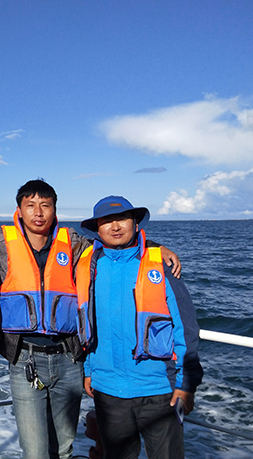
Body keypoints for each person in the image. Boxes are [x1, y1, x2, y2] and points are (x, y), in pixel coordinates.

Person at [0, 180, 182, 459]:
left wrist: (155, 247)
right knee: (34, 452)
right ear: (19, 210)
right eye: (30, 205)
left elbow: (116, 245)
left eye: (45, 205)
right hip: (24, 360)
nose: (38, 212)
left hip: (68, 360)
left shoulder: (75, 244)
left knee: (64, 447)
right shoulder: (0, 245)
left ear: (55, 210)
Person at [77, 196, 202, 459]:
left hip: (160, 390)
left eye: (122, 218)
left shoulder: (161, 264)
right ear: (97, 228)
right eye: (106, 221)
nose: (115, 226)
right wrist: (89, 370)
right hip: (107, 390)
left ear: (135, 223)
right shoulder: (87, 265)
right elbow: (87, 323)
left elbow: (185, 328)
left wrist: (186, 384)